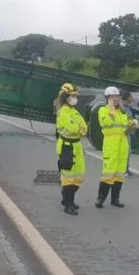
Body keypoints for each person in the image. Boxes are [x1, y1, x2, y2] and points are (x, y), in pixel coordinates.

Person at [95, 86, 138, 208]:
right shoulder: (103, 110)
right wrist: (111, 109)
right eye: (112, 97)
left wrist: (132, 125)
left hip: (122, 145)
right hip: (111, 145)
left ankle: (115, 199)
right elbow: (106, 123)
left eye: (116, 97)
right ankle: (100, 199)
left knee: (119, 174)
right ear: (107, 98)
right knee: (108, 173)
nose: (115, 99)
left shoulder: (122, 112)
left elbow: (125, 130)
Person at [55, 83, 87, 215]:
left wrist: (80, 129)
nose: (75, 98)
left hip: (77, 146)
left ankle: (66, 198)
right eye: (72, 96)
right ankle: (68, 204)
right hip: (67, 146)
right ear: (65, 97)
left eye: (75, 96)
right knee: (68, 177)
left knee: (79, 176)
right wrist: (78, 129)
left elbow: (84, 127)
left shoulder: (74, 111)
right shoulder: (63, 112)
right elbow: (72, 128)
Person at [120, 90, 136, 177]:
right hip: (124, 133)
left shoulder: (126, 107)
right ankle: (124, 169)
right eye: (131, 96)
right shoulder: (122, 108)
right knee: (125, 152)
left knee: (127, 152)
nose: (132, 98)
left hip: (127, 132)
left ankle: (125, 168)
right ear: (127, 98)